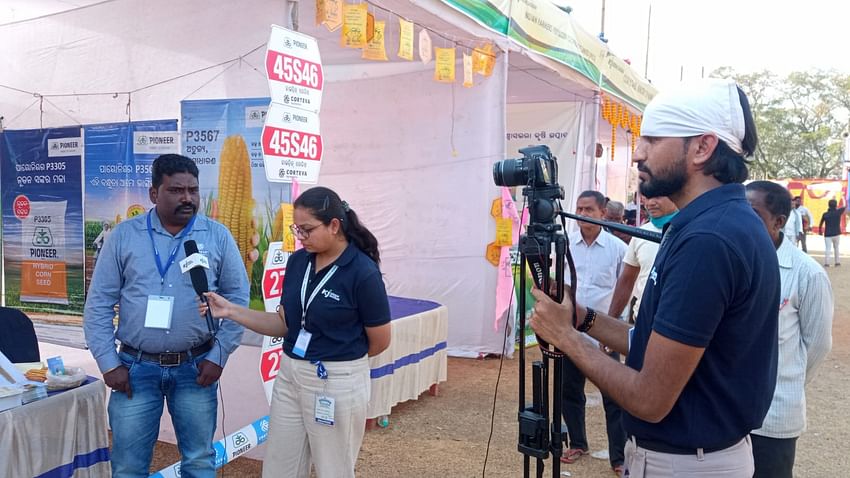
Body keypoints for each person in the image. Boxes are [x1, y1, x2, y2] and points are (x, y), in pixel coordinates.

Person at [530, 79, 779, 477]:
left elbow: (650, 398)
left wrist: (566, 338)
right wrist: (582, 317)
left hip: (686, 465)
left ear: (702, 147)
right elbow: (649, 344)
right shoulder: (713, 223)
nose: (638, 154)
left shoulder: (708, 240)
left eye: (652, 139)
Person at [201, 186, 391, 478]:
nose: (299, 237)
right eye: (296, 229)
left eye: (306, 230)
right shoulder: (299, 262)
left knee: (334, 469)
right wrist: (230, 311)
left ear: (334, 225)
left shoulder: (362, 272)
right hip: (291, 374)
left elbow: (379, 342)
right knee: (280, 466)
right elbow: (285, 325)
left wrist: (334, 358)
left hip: (336, 380)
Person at [83, 154, 249, 477]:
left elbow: (238, 299)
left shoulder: (216, 236)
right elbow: (99, 304)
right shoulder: (123, 237)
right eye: (176, 190)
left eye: (193, 190)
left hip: (196, 367)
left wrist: (219, 354)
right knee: (128, 467)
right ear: (154, 194)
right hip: (133, 370)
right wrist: (108, 362)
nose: (187, 198)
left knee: (199, 462)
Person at [746, 181, 833, 478]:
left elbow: (818, 345)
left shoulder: (807, 273)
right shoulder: (732, 260)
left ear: (778, 222)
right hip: (727, 414)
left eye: (753, 214)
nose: (743, 221)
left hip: (774, 417)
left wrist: (785, 382)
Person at [560, 190, 627, 475]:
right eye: (579, 208)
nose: (582, 214)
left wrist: (611, 333)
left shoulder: (618, 249)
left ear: (603, 213)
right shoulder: (564, 245)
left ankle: (619, 457)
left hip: (604, 336)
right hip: (570, 333)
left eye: (589, 209)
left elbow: (623, 293)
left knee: (615, 397)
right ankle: (577, 442)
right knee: (569, 391)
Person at [607, 196, 677, 324]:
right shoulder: (641, 233)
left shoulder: (689, 230)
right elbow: (627, 280)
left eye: (658, 196)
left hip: (673, 326)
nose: (650, 203)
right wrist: (611, 321)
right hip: (641, 321)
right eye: (647, 197)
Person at [818, 199, 847, 267]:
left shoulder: (825, 214)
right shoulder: (838, 212)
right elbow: (845, 206)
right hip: (836, 233)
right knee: (836, 248)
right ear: (836, 205)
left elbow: (821, 223)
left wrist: (820, 231)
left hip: (827, 234)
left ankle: (827, 263)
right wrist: (843, 198)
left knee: (828, 248)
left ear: (828, 205)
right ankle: (837, 262)